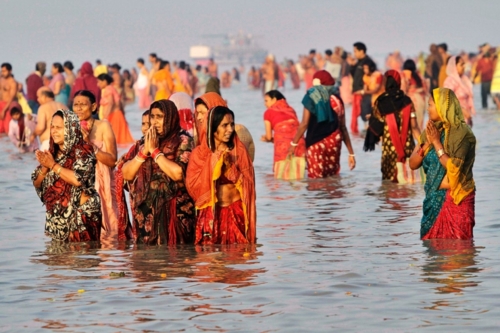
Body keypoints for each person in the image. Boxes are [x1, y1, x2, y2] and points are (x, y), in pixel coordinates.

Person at [117, 100, 196, 245]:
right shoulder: (143, 143)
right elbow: (126, 174)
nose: (155, 122)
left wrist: (154, 152)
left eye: (160, 117)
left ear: (171, 118)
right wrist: (144, 152)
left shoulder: (183, 141)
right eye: (152, 117)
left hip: (174, 215)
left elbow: (178, 173)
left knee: (175, 261)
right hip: (146, 216)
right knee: (147, 263)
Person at [409, 88, 476, 239]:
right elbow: (412, 164)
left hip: (457, 201)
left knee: (459, 254)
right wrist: (427, 145)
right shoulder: (430, 131)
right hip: (433, 201)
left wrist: (437, 143)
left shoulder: (461, 133)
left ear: (442, 107)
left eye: (431, 105)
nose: (428, 108)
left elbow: (454, 168)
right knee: (433, 255)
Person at [186, 106, 256, 245]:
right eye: (224, 125)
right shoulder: (199, 154)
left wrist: (230, 169)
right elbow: (192, 186)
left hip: (236, 213)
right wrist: (215, 160)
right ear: (213, 128)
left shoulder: (238, 152)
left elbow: (249, 185)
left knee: (237, 258)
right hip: (210, 214)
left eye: (231, 124)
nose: (230, 129)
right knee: (209, 260)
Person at [32, 109, 101, 242]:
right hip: (58, 222)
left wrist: (53, 166)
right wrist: (45, 168)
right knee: (57, 260)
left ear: (70, 128)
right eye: (52, 126)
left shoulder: (84, 151)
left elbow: (77, 179)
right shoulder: (51, 153)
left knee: (83, 258)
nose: (54, 131)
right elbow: (36, 182)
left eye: (58, 127)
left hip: (82, 217)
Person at [72, 89, 127, 240]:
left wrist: (90, 145)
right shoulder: (70, 128)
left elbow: (112, 161)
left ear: (94, 107)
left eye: (83, 104)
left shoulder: (103, 126)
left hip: (103, 187)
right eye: (76, 105)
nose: (79, 108)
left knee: (109, 234)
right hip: (79, 186)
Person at [289, 70, 356, 178]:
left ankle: (319, 196)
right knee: (331, 178)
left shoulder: (312, 96)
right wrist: (351, 153)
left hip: (316, 143)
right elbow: (343, 127)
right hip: (334, 142)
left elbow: (304, 124)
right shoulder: (337, 99)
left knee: (316, 180)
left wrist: (294, 144)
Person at [364, 70, 421, 184]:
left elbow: (377, 127)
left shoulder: (381, 102)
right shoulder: (407, 101)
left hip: (389, 153)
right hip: (408, 151)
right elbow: (414, 127)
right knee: (409, 185)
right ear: (398, 82)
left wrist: (372, 119)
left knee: (389, 188)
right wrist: (424, 146)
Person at [194, 92, 255, 161]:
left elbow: (240, 161)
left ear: (215, 112)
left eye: (202, 113)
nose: (198, 117)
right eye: (197, 113)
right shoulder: (201, 136)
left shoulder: (239, 131)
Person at [261, 90, 306, 173]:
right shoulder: (291, 109)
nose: (265, 104)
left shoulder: (268, 112)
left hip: (283, 147)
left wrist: (266, 139)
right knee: (298, 175)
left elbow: (268, 136)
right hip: (299, 143)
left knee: (282, 176)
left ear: (274, 100)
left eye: (266, 101)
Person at [97, 74, 134, 145]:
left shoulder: (108, 89)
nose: (98, 84)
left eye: (99, 82)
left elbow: (111, 103)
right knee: (119, 141)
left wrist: (105, 117)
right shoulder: (112, 88)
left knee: (113, 141)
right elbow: (118, 102)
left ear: (104, 81)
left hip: (114, 116)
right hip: (117, 114)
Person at [443, 56, 475, 125]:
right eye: (461, 65)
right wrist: (463, 111)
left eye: (464, 64)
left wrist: (469, 117)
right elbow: (448, 100)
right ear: (454, 66)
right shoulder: (450, 81)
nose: (464, 67)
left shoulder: (464, 80)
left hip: (465, 118)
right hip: (455, 118)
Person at [350, 42, 372, 134]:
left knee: (366, 111)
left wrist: (364, 91)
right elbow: (354, 75)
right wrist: (352, 65)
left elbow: (372, 78)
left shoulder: (368, 62)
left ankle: (369, 131)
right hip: (357, 92)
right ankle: (364, 131)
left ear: (361, 51)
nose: (354, 53)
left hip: (365, 93)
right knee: (360, 113)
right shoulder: (358, 62)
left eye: (355, 51)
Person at [403, 59, 427, 130]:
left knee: (411, 122)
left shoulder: (405, 74)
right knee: (419, 122)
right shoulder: (418, 75)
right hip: (421, 99)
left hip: (412, 100)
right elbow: (425, 87)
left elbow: (404, 89)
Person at [362, 58, 384, 128]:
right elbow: (365, 88)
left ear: (371, 68)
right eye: (364, 68)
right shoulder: (365, 77)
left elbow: (376, 89)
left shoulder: (378, 75)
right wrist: (364, 91)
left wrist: (365, 92)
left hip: (381, 97)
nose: (364, 70)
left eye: (366, 68)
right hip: (373, 98)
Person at [1, 63, 18, 135]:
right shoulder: (1, 80)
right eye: (2, 71)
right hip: (0, 104)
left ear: (10, 71)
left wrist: (4, 110)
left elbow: (11, 98)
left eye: (4, 71)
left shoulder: (13, 82)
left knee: (8, 130)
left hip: (7, 106)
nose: (3, 73)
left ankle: (8, 146)